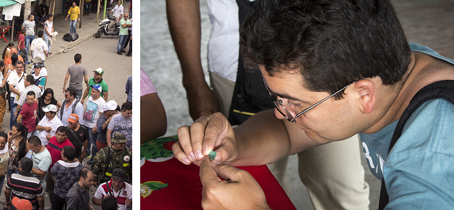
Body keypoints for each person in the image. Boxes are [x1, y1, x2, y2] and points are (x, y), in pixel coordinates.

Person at [172, 0, 454, 209]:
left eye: (294, 103)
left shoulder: (430, 161)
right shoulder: (390, 66)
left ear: (364, 95)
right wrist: (235, 144)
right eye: (278, 100)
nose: (283, 115)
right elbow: (285, 133)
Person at [82, 84, 106, 160]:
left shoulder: (102, 102)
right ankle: (87, 152)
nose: (92, 93)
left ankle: (94, 157)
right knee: (86, 140)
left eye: (94, 92)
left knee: (94, 143)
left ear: (99, 93)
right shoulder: (90, 98)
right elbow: (86, 108)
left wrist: (96, 127)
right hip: (86, 123)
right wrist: (83, 119)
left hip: (93, 126)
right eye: (91, 91)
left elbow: (101, 116)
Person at [8, 61, 27, 129]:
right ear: (15, 68)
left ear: (23, 67)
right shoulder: (12, 75)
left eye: (20, 67)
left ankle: (20, 131)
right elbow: (11, 87)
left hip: (23, 99)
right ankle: (12, 131)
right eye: (17, 67)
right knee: (14, 116)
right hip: (14, 98)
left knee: (21, 115)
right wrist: (20, 94)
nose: (19, 69)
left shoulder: (25, 75)